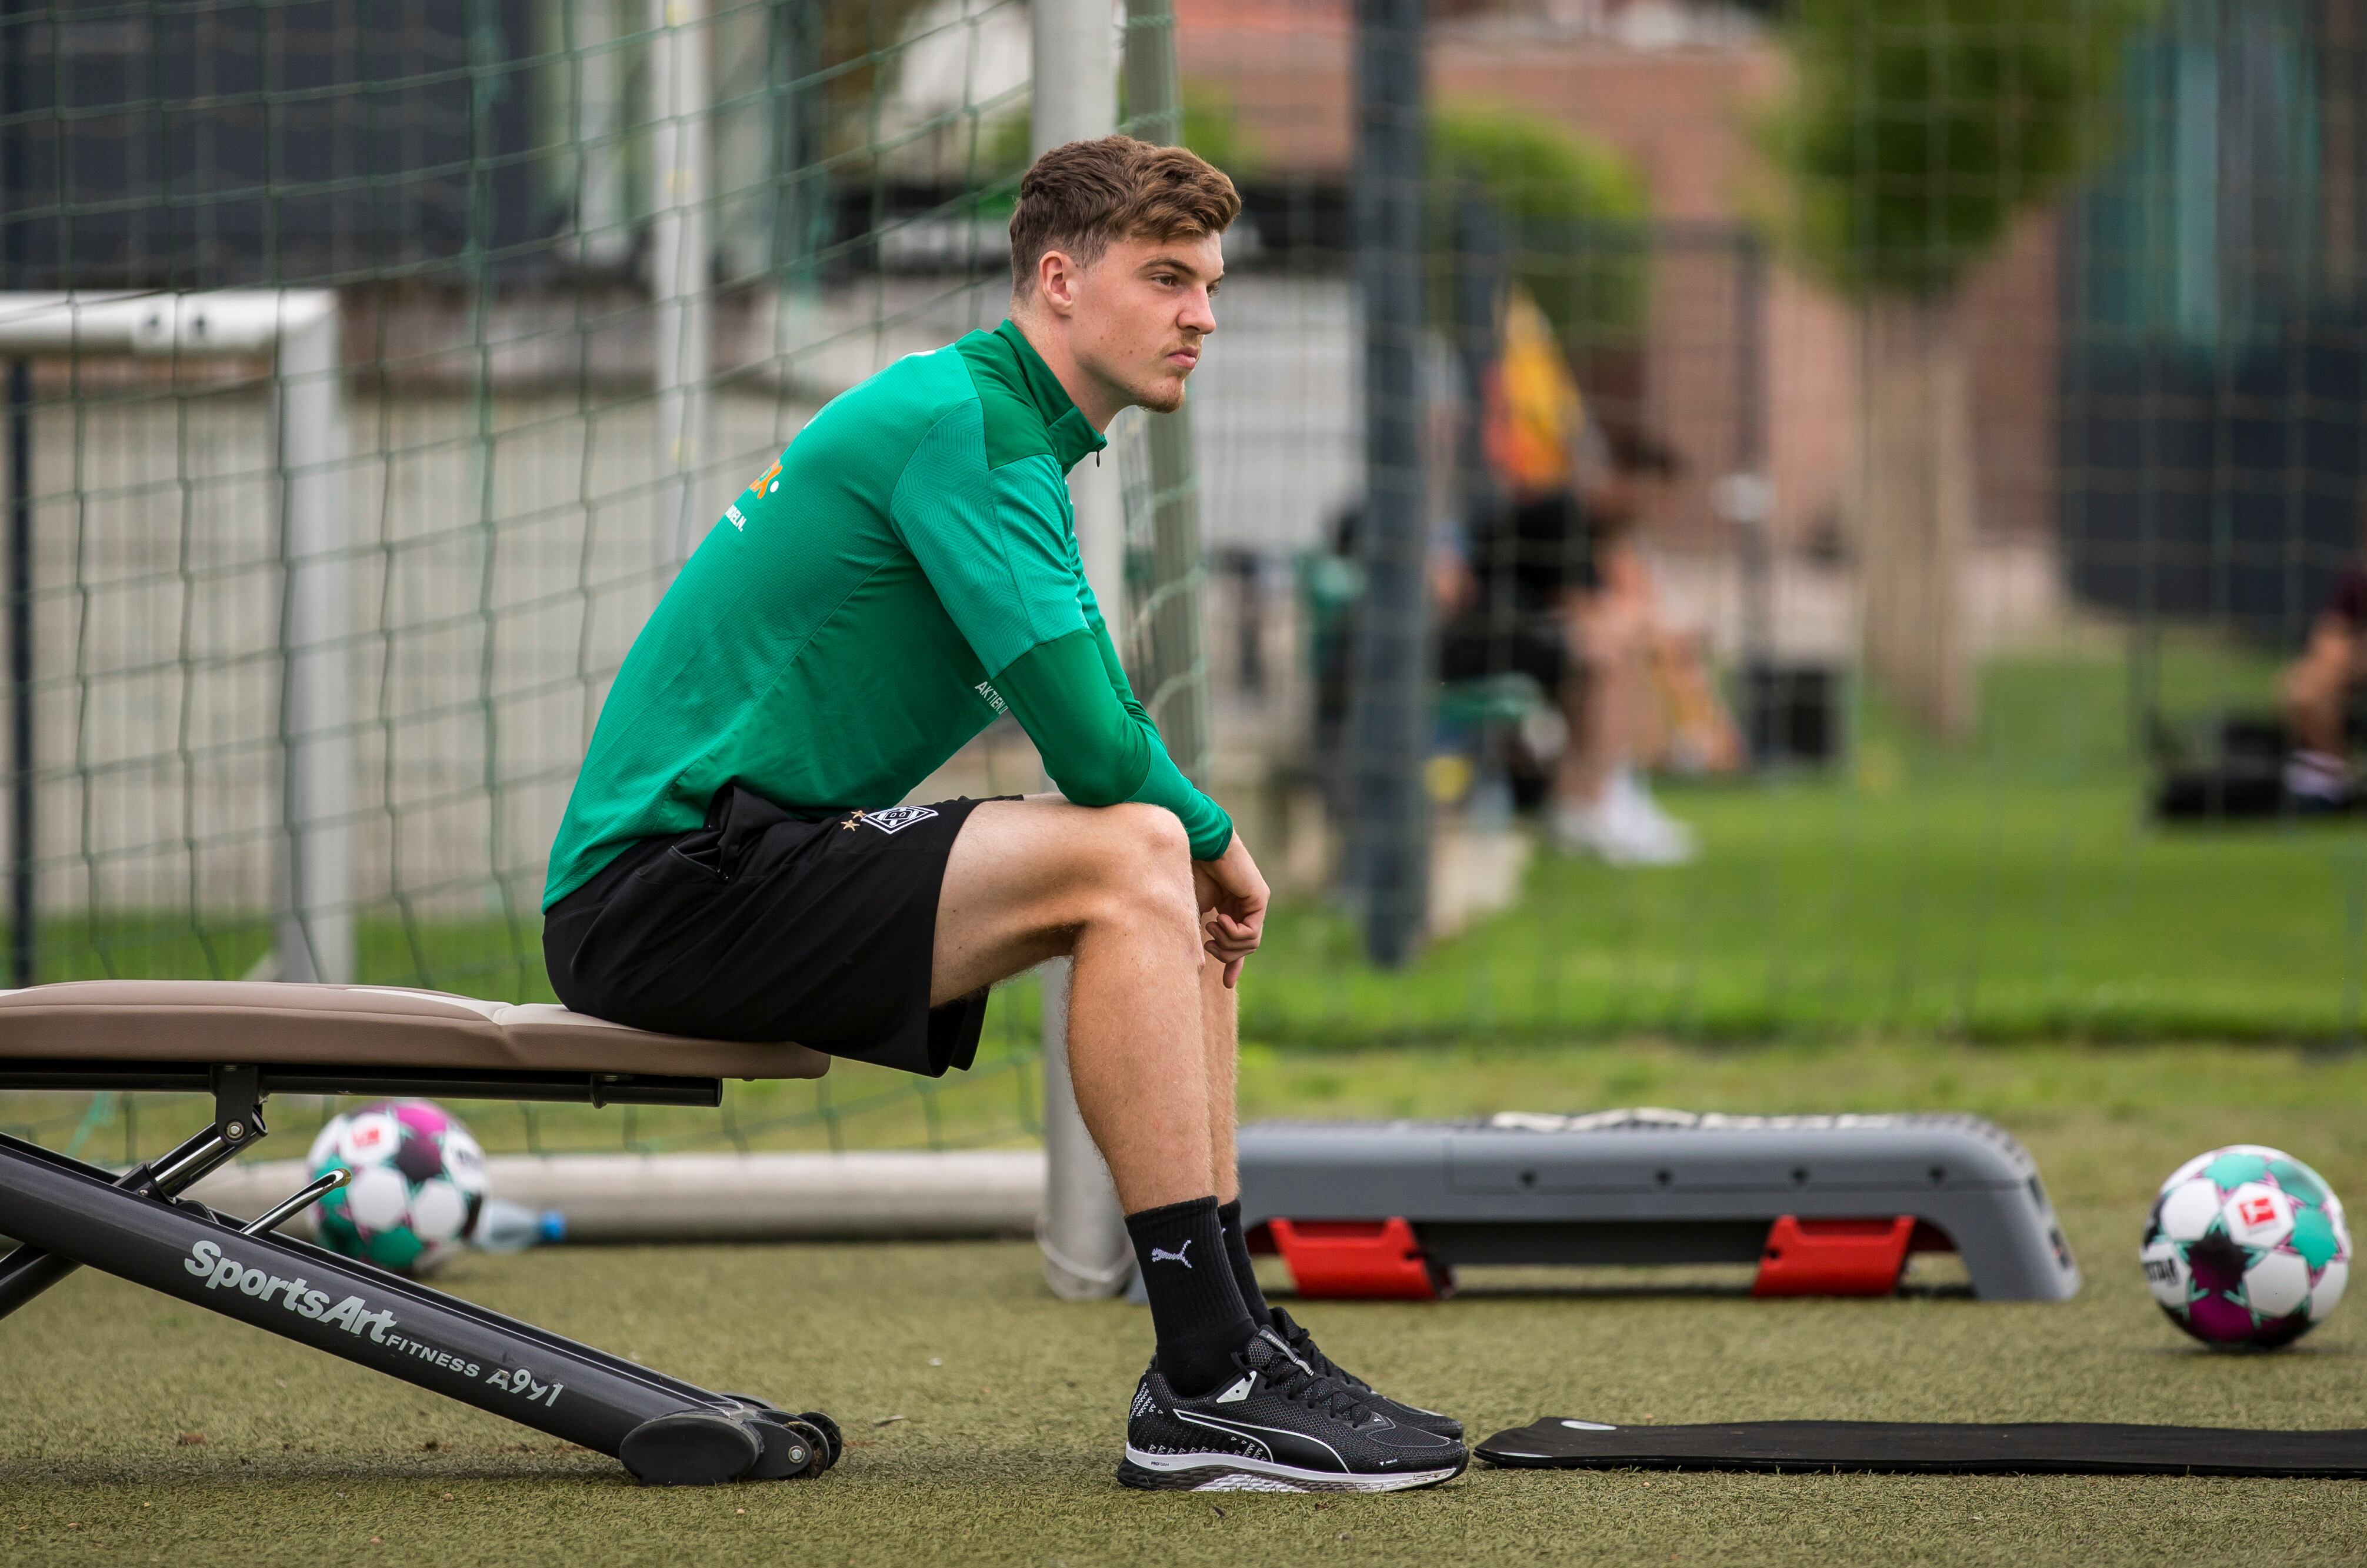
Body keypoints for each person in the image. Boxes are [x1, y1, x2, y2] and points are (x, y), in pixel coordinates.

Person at [539, 136, 1466, 1493]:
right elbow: (1096, 745)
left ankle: (1234, 1341)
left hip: (742, 862)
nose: (1200, 313)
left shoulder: (1007, 432)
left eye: (1207, 282)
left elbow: (1104, 720)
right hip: (664, 890)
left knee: (1151, 865)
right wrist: (1216, 832)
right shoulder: (963, 428)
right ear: (1056, 279)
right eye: (1164, 277)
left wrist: (1189, 837)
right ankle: (1205, 1373)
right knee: (1138, 846)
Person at [2282, 553, 2367, 808]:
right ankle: (2332, 783)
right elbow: (2329, 633)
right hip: (2352, 674)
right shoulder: (2357, 577)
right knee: (2301, 687)